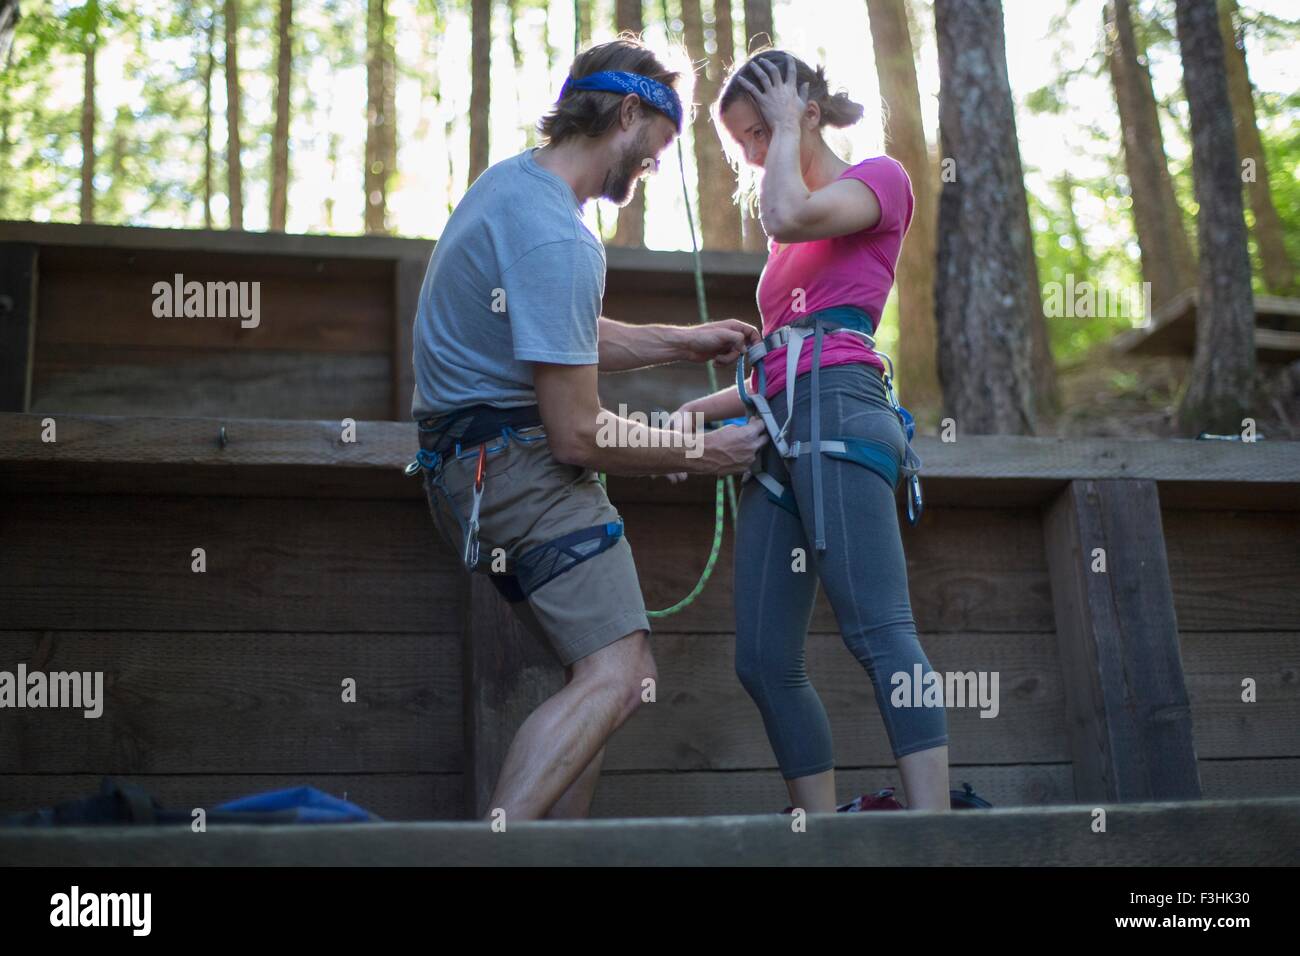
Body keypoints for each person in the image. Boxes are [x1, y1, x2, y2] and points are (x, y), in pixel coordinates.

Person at [408, 36, 768, 822]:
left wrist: (678, 339)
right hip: (520, 473)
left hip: (470, 471)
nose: (654, 167)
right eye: (656, 149)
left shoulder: (512, 189)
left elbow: (547, 328)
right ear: (629, 112)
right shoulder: (560, 236)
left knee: (600, 683)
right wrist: (706, 451)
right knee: (620, 674)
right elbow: (576, 433)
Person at [674, 49, 951, 812]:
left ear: (808, 114)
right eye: (745, 145)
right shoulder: (786, 241)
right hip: (783, 429)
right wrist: (674, 424)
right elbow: (773, 371)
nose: (757, 156)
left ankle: (936, 834)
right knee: (763, 662)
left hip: (843, 410)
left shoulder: (877, 181)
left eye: (761, 133)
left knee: (880, 631)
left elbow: (787, 210)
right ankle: (821, 837)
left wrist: (790, 131)